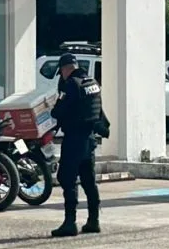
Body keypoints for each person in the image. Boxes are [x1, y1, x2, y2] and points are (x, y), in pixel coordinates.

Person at [50, 53, 108, 237]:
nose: (61, 75)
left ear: (66, 68)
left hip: (74, 139)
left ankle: (70, 222)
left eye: (61, 72)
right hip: (89, 139)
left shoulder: (71, 85)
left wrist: (54, 107)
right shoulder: (92, 83)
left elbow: (58, 112)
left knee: (68, 179)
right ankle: (93, 220)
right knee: (89, 181)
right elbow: (98, 111)